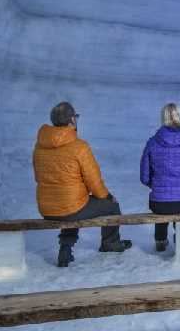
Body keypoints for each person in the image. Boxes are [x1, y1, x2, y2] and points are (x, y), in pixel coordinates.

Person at [33, 101, 131, 267]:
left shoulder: (40, 146)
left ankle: (65, 248)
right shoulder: (80, 147)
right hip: (70, 208)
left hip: (47, 209)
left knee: (74, 204)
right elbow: (93, 180)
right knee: (110, 206)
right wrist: (107, 196)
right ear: (72, 120)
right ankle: (110, 243)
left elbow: (38, 176)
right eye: (75, 117)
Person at [140, 103, 180, 252]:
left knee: (163, 204)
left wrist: (156, 185)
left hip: (159, 203)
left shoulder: (152, 143)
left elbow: (144, 176)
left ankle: (160, 239)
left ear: (163, 118)